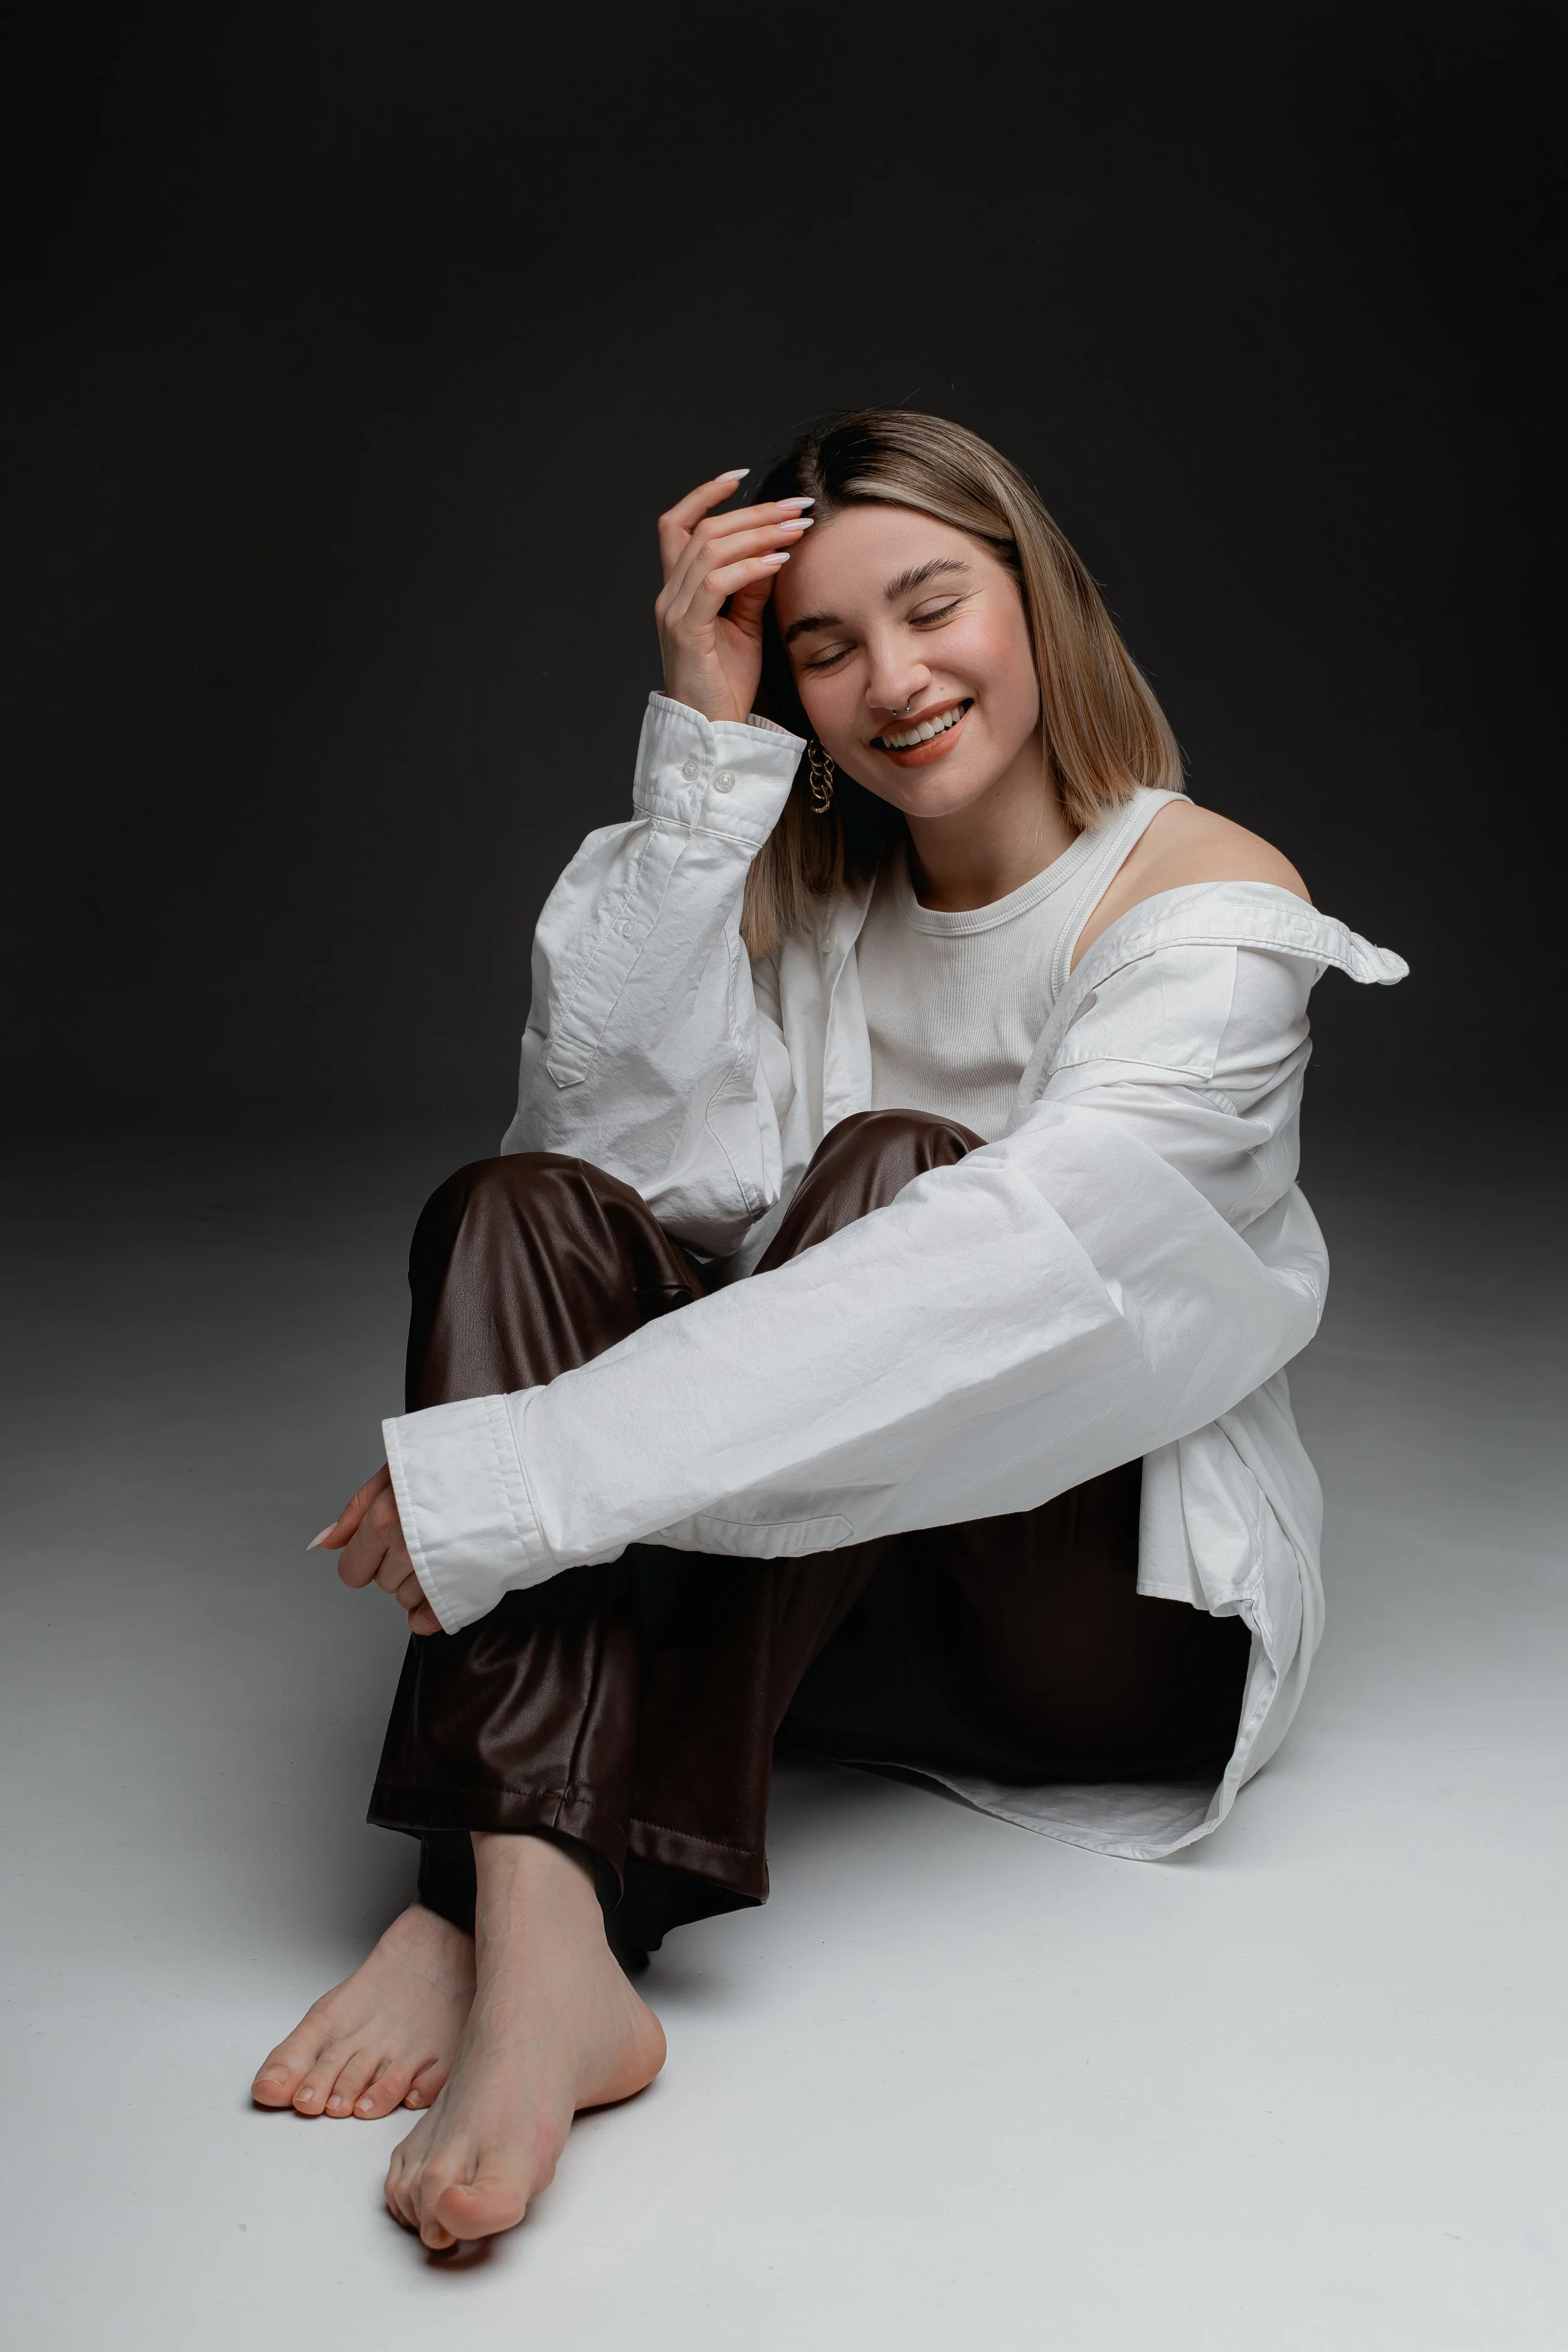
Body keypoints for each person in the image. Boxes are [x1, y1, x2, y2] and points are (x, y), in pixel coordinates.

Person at [250, 410, 1404, 2249]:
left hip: (1088, 1632)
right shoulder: (824, 895)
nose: (891, 680)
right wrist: (705, 748)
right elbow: (610, 1168)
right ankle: (535, 1927)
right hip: (831, 1610)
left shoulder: (1208, 908)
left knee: (896, 1179)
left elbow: (1004, 1276)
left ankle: (503, 1903)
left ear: (1036, 598)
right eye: (819, 646)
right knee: (506, 1208)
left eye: (932, 605)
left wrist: (515, 1475)